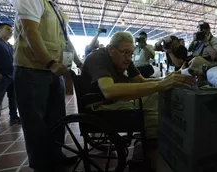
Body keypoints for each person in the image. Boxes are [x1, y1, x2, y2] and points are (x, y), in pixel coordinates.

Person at [80, 31, 193, 171]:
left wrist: (172, 77)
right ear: (111, 50)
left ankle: (142, 148)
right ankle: (148, 148)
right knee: (152, 102)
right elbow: (109, 91)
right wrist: (160, 84)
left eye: (131, 53)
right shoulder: (97, 58)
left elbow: (141, 81)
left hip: (113, 102)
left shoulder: (124, 59)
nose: (128, 58)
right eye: (125, 52)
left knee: (155, 94)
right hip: (99, 106)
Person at [10, 0, 82, 171]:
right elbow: (30, 30)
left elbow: (66, 39)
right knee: (35, 120)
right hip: (32, 69)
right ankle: (40, 163)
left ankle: (56, 155)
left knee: (57, 118)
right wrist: (49, 62)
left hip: (53, 71)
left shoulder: (54, 7)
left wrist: (79, 63)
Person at [0, 23, 20, 135]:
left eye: (11, 30)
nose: (11, 32)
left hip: (11, 76)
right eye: (8, 29)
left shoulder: (10, 46)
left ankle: (14, 118)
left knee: (13, 99)